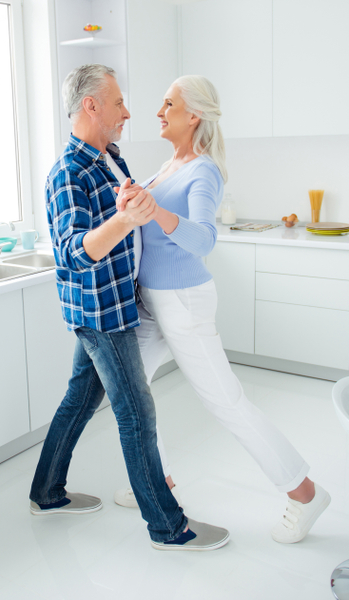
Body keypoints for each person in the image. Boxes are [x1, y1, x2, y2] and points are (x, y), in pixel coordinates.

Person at [113, 75, 330, 544]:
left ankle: (305, 493)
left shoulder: (203, 170)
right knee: (132, 390)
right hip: (151, 300)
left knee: (226, 403)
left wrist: (156, 213)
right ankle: (159, 480)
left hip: (183, 303)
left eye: (168, 104)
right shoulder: (167, 166)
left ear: (193, 116)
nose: (158, 111)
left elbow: (203, 239)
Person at [29, 64, 230, 551]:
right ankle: (167, 526)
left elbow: (137, 218)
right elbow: (77, 251)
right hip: (102, 313)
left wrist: (140, 206)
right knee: (136, 414)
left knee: (80, 400)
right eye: (118, 102)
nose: (128, 112)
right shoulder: (67, 174)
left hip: (122, 303)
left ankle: (46, 492)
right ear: (91, 105)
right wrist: (126, 217)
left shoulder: (108, 159)